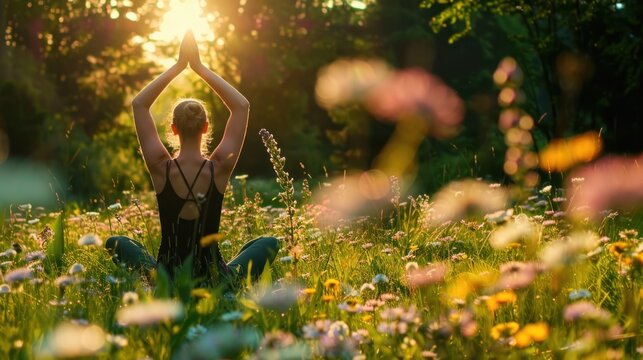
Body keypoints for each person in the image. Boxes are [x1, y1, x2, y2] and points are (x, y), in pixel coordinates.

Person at [105, 31, 279, 286]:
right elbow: (241, 106)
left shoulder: (160, 168)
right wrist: (198, 67)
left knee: (115, 243)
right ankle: (228, 284)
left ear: (173, 129)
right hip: (214, 279)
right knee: (268, 243)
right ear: (206, 127)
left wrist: (178, 66)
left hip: (166, 278)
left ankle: (156, 281)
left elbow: (139, 104)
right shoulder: (219, 168)